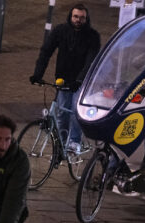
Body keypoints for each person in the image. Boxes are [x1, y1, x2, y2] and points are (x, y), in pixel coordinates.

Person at [30, 3, 101, 155]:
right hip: (63, 79)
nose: (78, 20)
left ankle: (75, 142)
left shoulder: (92, 36)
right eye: (75, 16)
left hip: (82, 82)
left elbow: (91, 61)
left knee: (76, 109)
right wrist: (38, 74)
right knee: (61, 113)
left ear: (86, 19)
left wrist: (80, 80)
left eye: (82, 18)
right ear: (70, 16)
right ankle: (61, 145)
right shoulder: (60, 31)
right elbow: (46, 51)